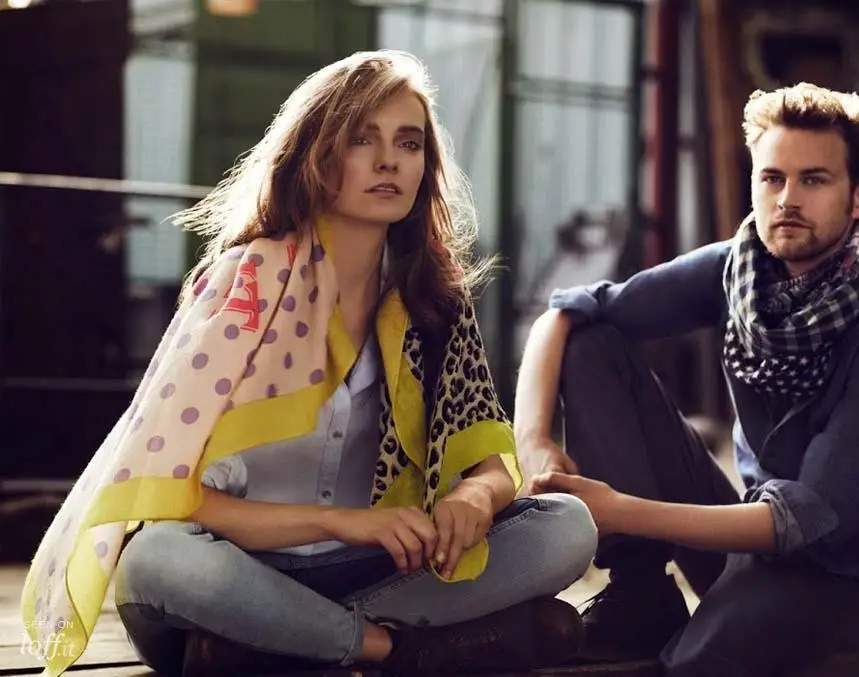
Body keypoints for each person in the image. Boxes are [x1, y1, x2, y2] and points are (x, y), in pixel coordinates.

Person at [21, 50, 597, 677]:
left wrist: (475, 498)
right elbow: (170, 497)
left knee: (564, 526)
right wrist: (342, 523)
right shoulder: (243, 287)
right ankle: (400, 651)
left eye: (408, 143)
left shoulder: (434, 301)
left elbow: (491, 467)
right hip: (234, 569)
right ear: (315, 156)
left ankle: (276, 643)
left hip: (377, 572)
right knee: (156, 559)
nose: (388, 161)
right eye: (361, 140)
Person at [516, 82, 859, 676]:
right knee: (592, 343)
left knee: (694, 662)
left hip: (853, 574)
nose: (787, 199)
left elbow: (808, 518)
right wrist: (534, 441)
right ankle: (640, 594)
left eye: (814, 180)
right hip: (749, 537)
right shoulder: (745, 269)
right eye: (772, 178)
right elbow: (567, 314)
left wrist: (617, 511)